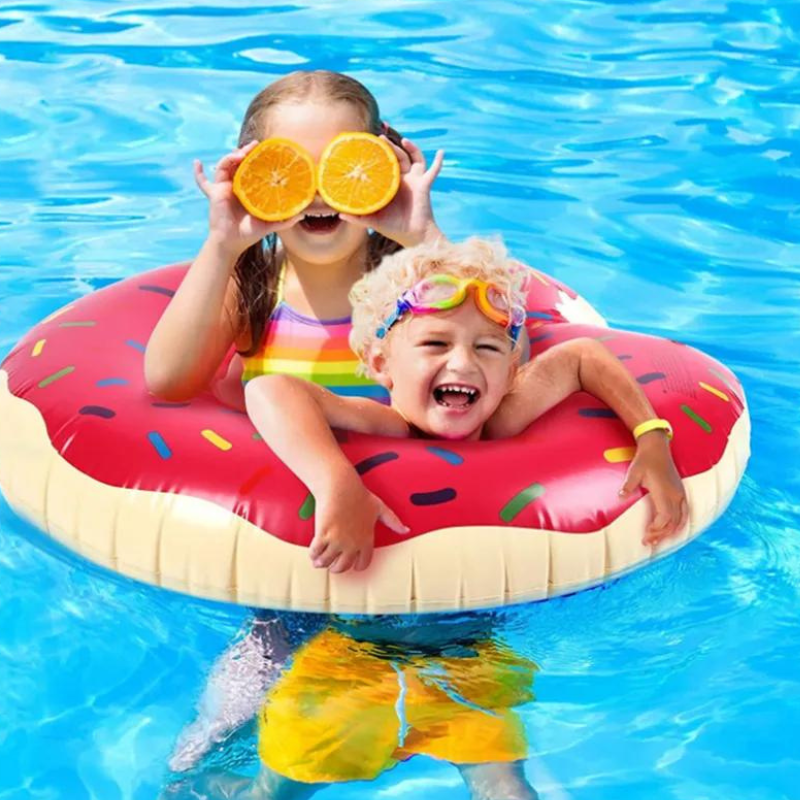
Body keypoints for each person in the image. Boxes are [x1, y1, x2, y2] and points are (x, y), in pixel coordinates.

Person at [164, 238, 688, 800]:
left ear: (513, 367)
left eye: (488, 348)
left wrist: (650, 437)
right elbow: (268, 389)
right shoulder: (381, 424)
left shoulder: (507, 416)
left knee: (505, 783)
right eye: (436, 343)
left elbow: (585, 357)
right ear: (381, 362)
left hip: (468, 644)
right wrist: (339, 484)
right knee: (287, 782)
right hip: (345, 638)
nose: (462, 363)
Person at [144, 69, 444, 410]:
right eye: (290, 170)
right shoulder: (252, 287)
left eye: (340, 169)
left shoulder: (413, 284)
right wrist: (221, 245)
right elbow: (168, 381)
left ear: (381, 165)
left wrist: (422, 236)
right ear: (252, 175)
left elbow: (504, 370)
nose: (317, 194)